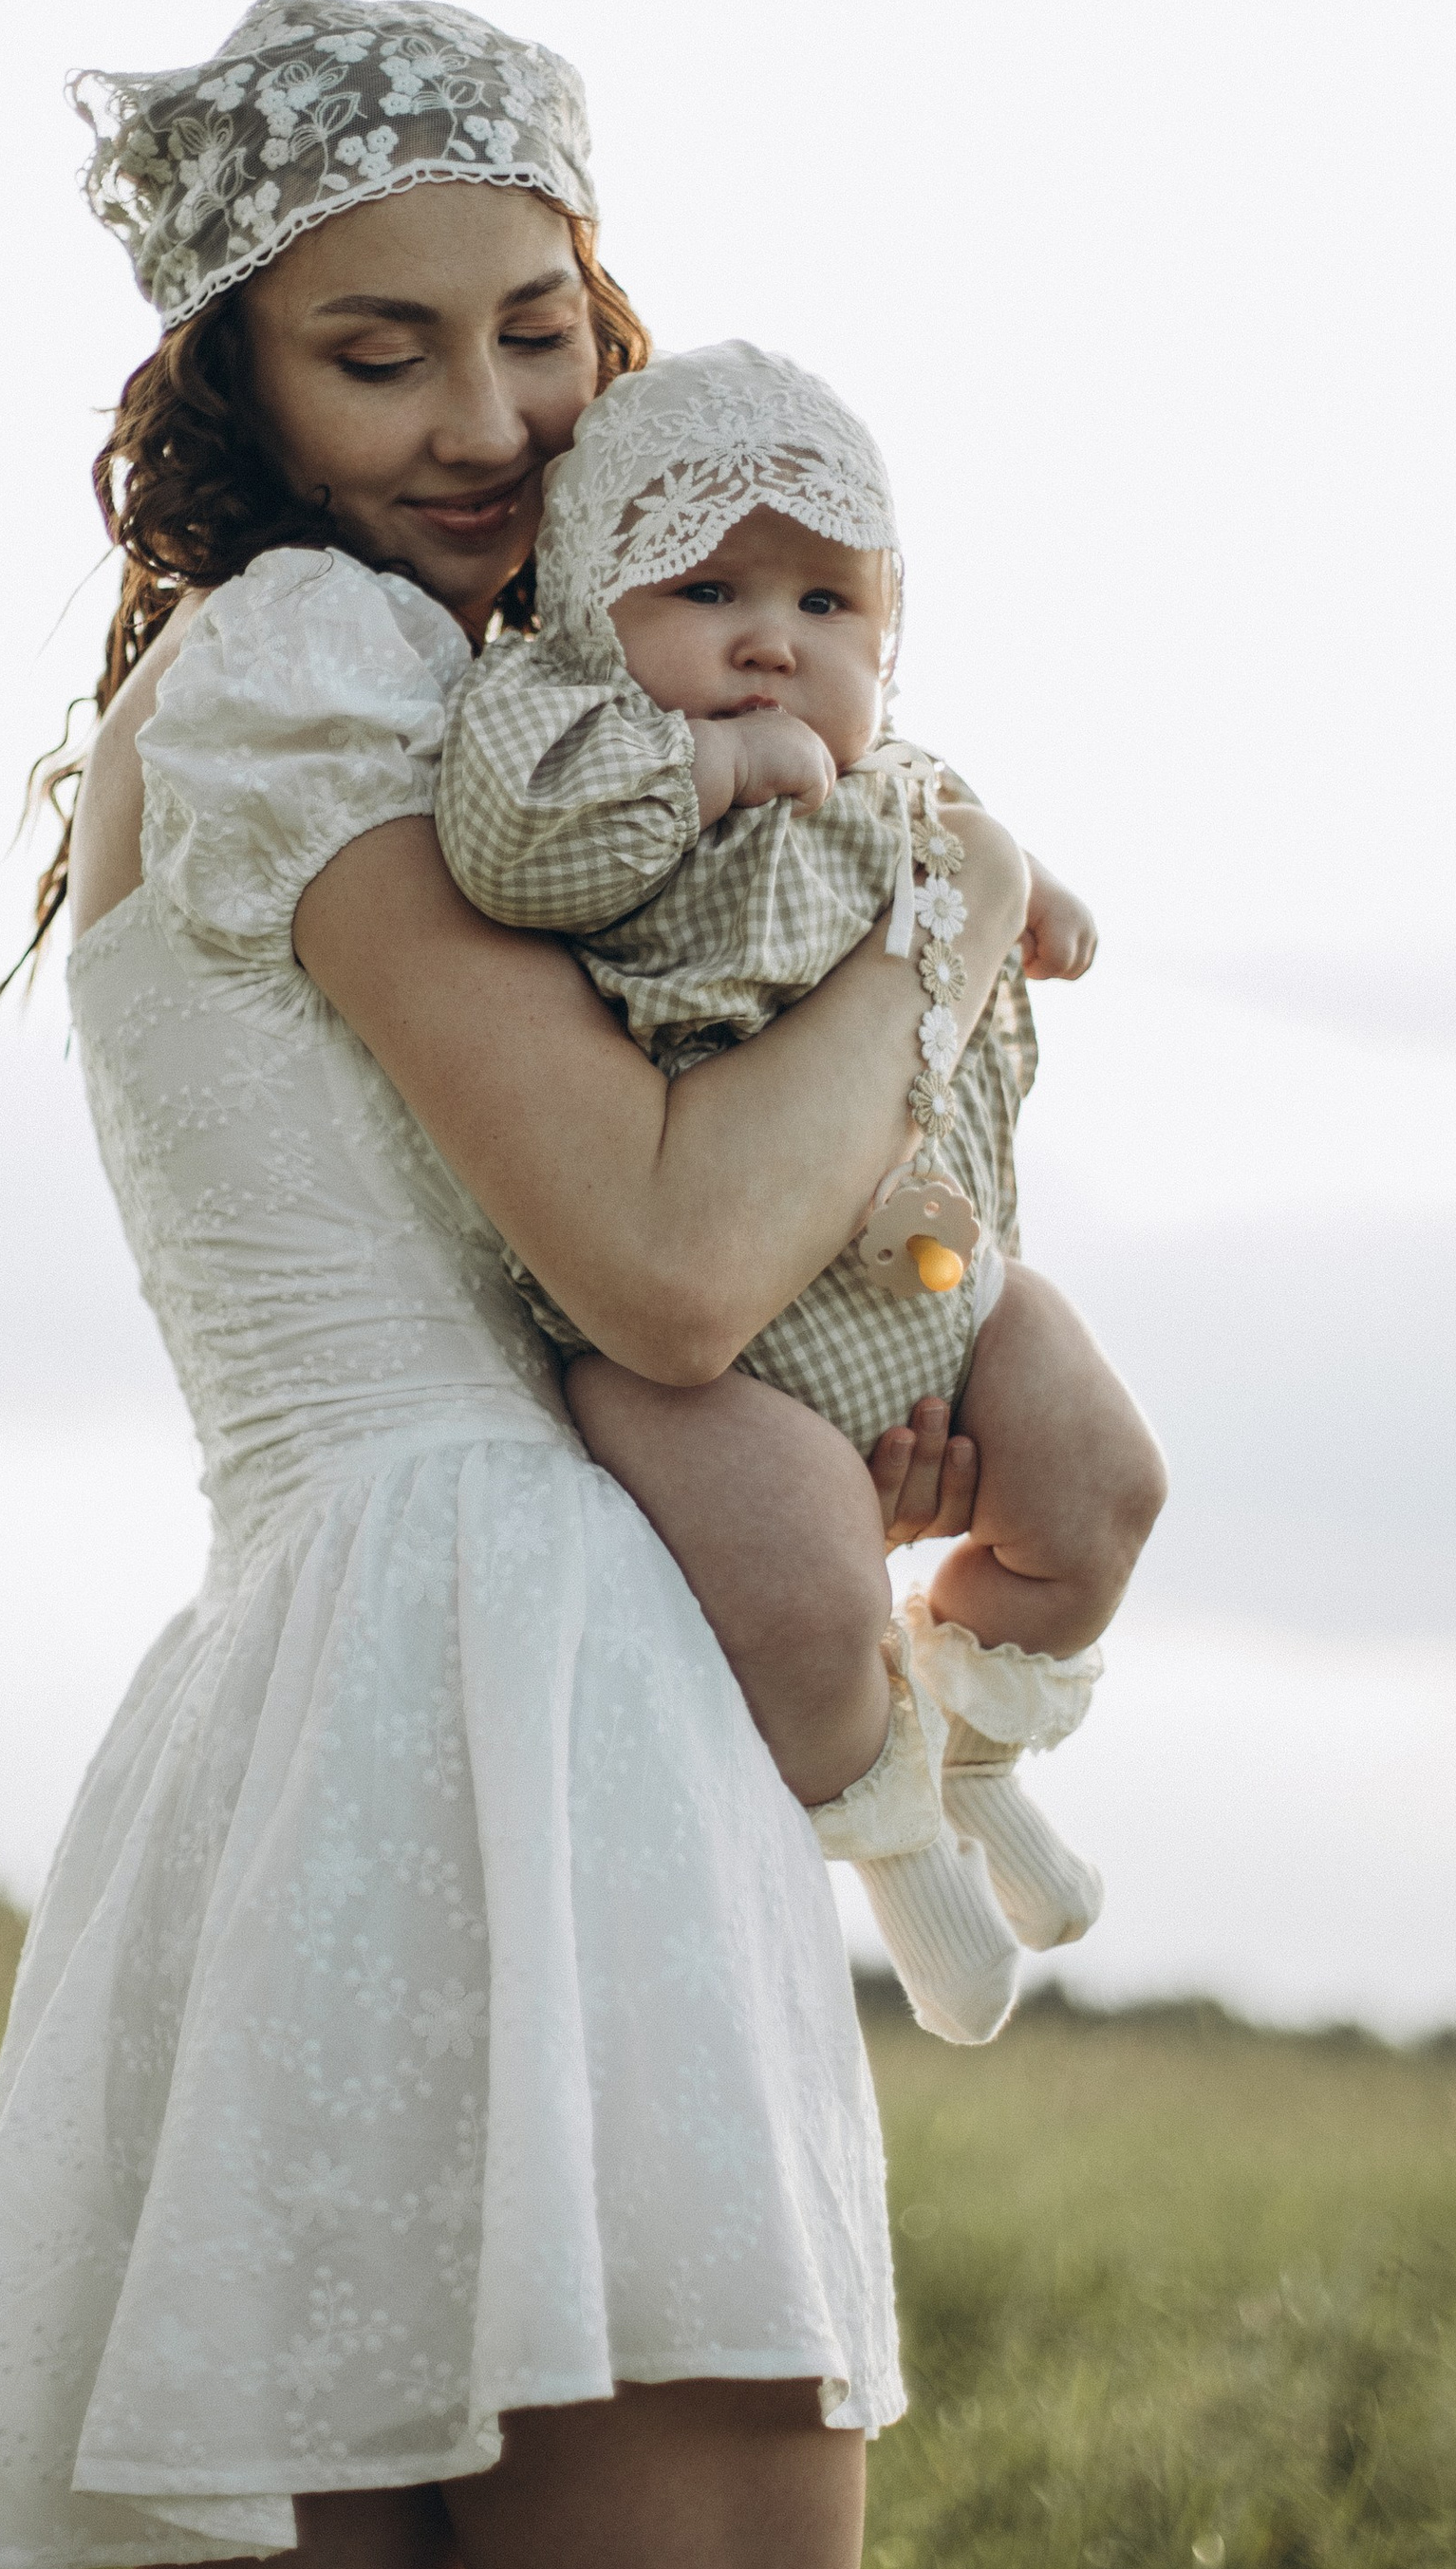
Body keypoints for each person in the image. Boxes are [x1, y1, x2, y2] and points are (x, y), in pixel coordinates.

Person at [0, 0, 1158, 2569]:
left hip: (343, 1703)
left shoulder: (473, 708)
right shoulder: (312, 658)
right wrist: (949, 906)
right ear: (230, 381)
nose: (488, 416)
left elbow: (668, 1269)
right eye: (379, 349)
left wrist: (868, 1380)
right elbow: (672, 1265)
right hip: (515, 1692)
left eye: (538, 327)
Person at [434, 340, 1167, 2046]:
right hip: (717, 1340)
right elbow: (507, 848)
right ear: (585, 605)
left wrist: (1028, 884)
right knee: (808, 1590)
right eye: (707, 589)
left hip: (930, 1279)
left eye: (830, 606)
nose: (773, 641)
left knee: (1103, 1481)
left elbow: (960, 833)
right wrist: (704, 775)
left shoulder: (900, 784)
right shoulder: (571, 738)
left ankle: (973, 1742)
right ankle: (900, 1852)